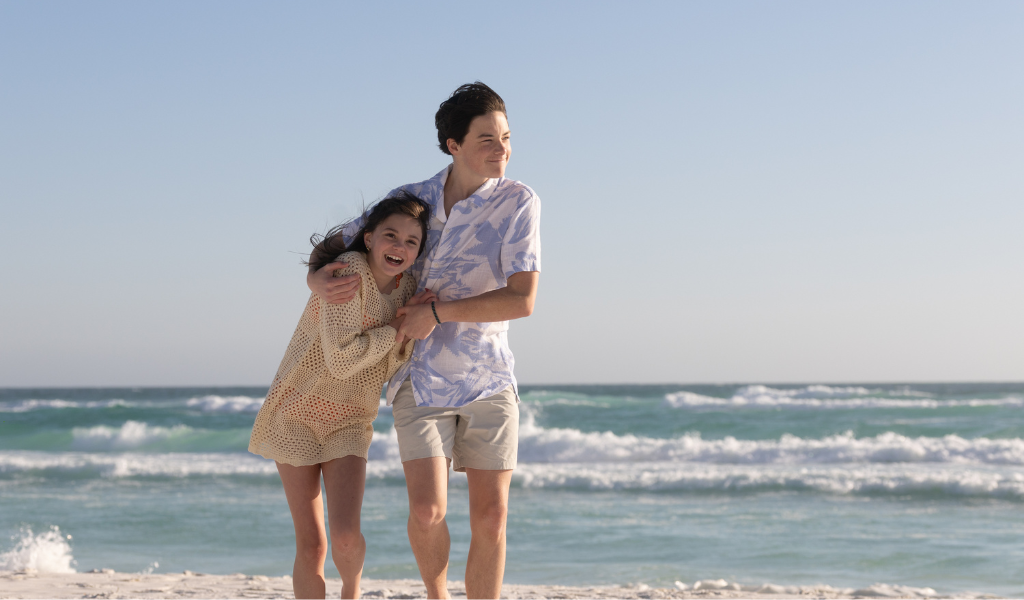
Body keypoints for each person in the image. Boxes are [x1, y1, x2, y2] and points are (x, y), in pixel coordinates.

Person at [307, 82, 541, 599]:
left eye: (506, 137)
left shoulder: (519, 202)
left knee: (492, 517)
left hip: (489, 377)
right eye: (486, 138)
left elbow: (522, 299)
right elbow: (336, 243)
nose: (501, 149)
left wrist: (437, 311)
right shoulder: (413, 201)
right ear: (453, 145)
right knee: (427, 511)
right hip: (419, 376)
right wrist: (315, 278)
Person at [249, 192, 436, 600]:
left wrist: (409, 327)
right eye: (391, 235)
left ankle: (351, 591)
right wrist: (397, 331)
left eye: (411, 242)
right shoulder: (348, 272)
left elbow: (390, 363)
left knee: (347, 536)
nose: (399, 247)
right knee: (313, 544)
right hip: (296, 412)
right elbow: (342, 359)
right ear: (368, 238)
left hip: (350, 420)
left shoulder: (407, 291)